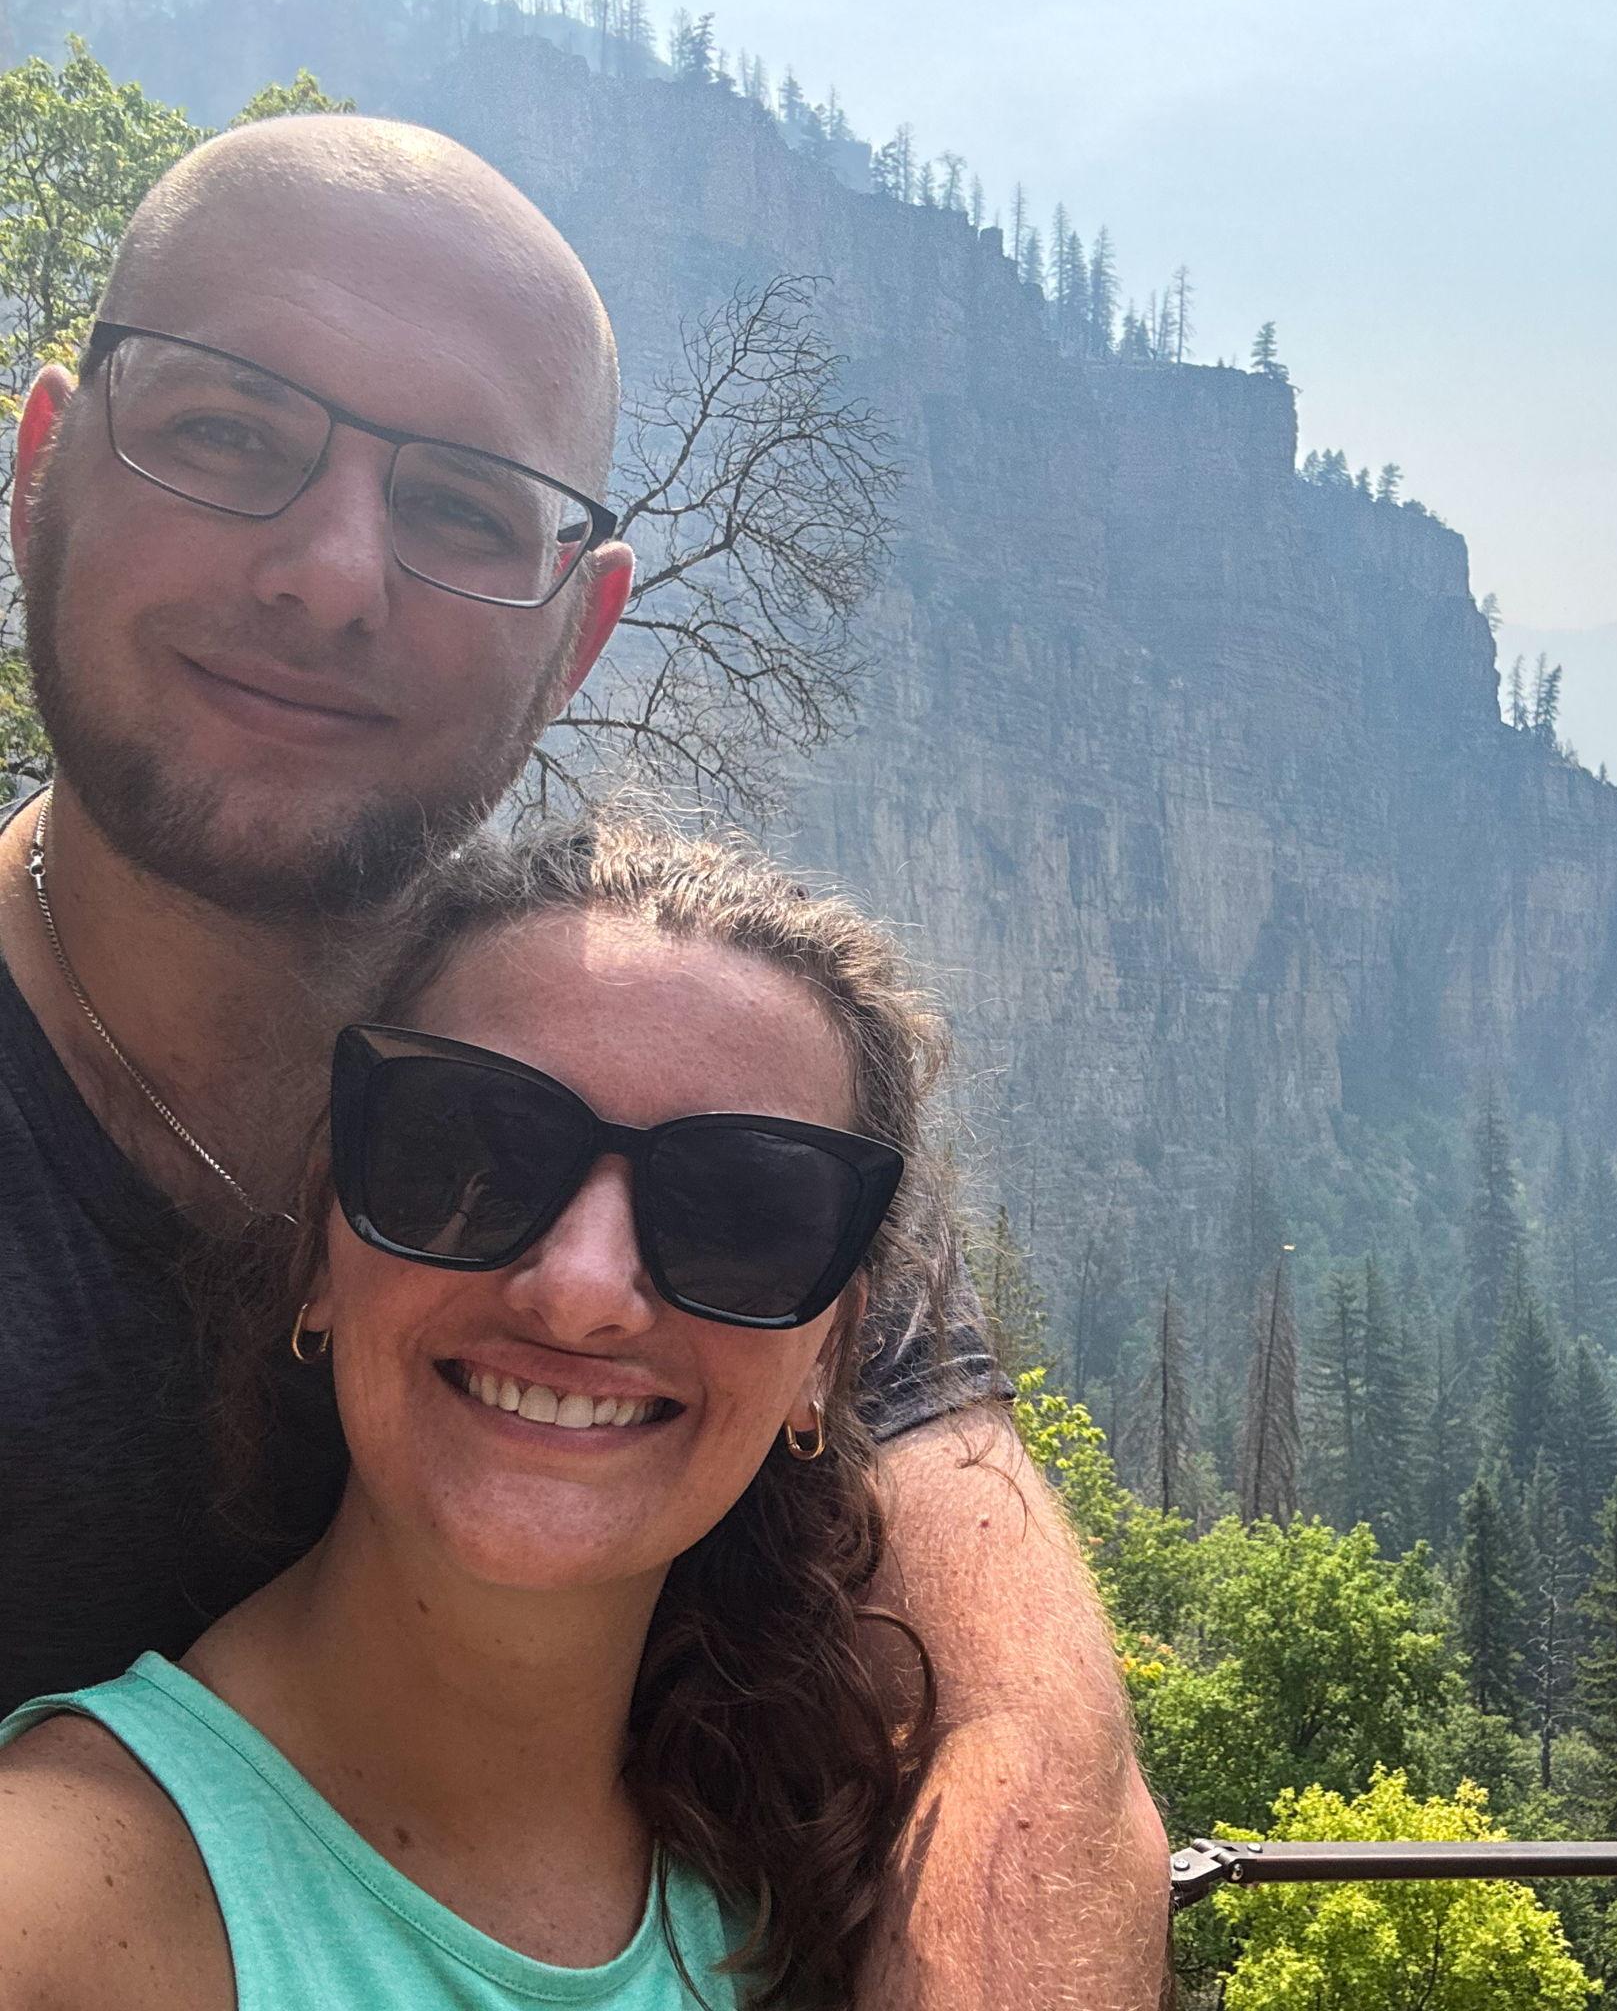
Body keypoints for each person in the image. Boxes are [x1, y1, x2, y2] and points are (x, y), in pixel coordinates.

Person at [0, 110, 1167, 2004]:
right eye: (226, 432)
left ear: (576, 634)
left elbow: (1026, 1756)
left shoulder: (707, 1113)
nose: (328, 573)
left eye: (461, 505)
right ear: (43, 471)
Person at [0, 813, 945, 2008]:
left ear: (829, 1354)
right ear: (320, 1252)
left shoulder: (812, 1872)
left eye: (741, 1212)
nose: (583, 1288)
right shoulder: (53, 1910)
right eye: (471, 1158)